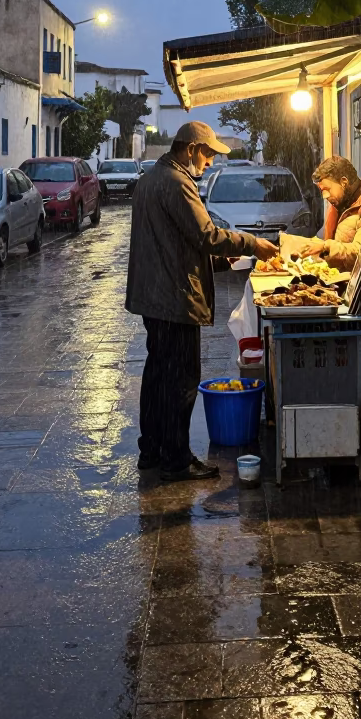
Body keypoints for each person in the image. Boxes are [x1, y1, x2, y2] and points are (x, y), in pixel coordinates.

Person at [125, 121, 278, 481]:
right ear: (191, 149)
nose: (209, 162)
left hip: (154, 296)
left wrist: (223, 261)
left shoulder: (150, 179)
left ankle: (152, 450)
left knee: (158, 375)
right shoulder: (178, 183)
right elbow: (206, 235)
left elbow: (177, 241)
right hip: (173, 298)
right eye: (208, 154)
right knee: (179, 379)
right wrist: (252, 243)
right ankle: (176, 458)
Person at [299, 156, 361, 271]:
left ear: (344, 182)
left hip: (354, 285)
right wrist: (290, 243)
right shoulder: (342, 203)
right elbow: (321, 239)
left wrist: (326, 247)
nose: (325, 196)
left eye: (327, 189)